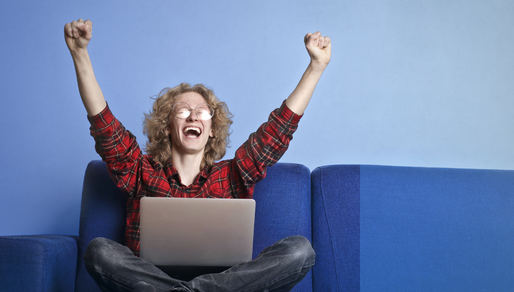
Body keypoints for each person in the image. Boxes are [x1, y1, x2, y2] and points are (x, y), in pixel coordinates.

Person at [64, 18, 331, 292]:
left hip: (224, 282)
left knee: (299, 252)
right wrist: (79, 53)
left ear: (212, 129)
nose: (193, 115)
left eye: (202, 112)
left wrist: (316, 67)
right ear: (167, 127)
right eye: (182, 111)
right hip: (150, 279)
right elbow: (104, 127)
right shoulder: (140, 171)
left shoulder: (232, 176)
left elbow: (277, 131)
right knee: (99, 251)